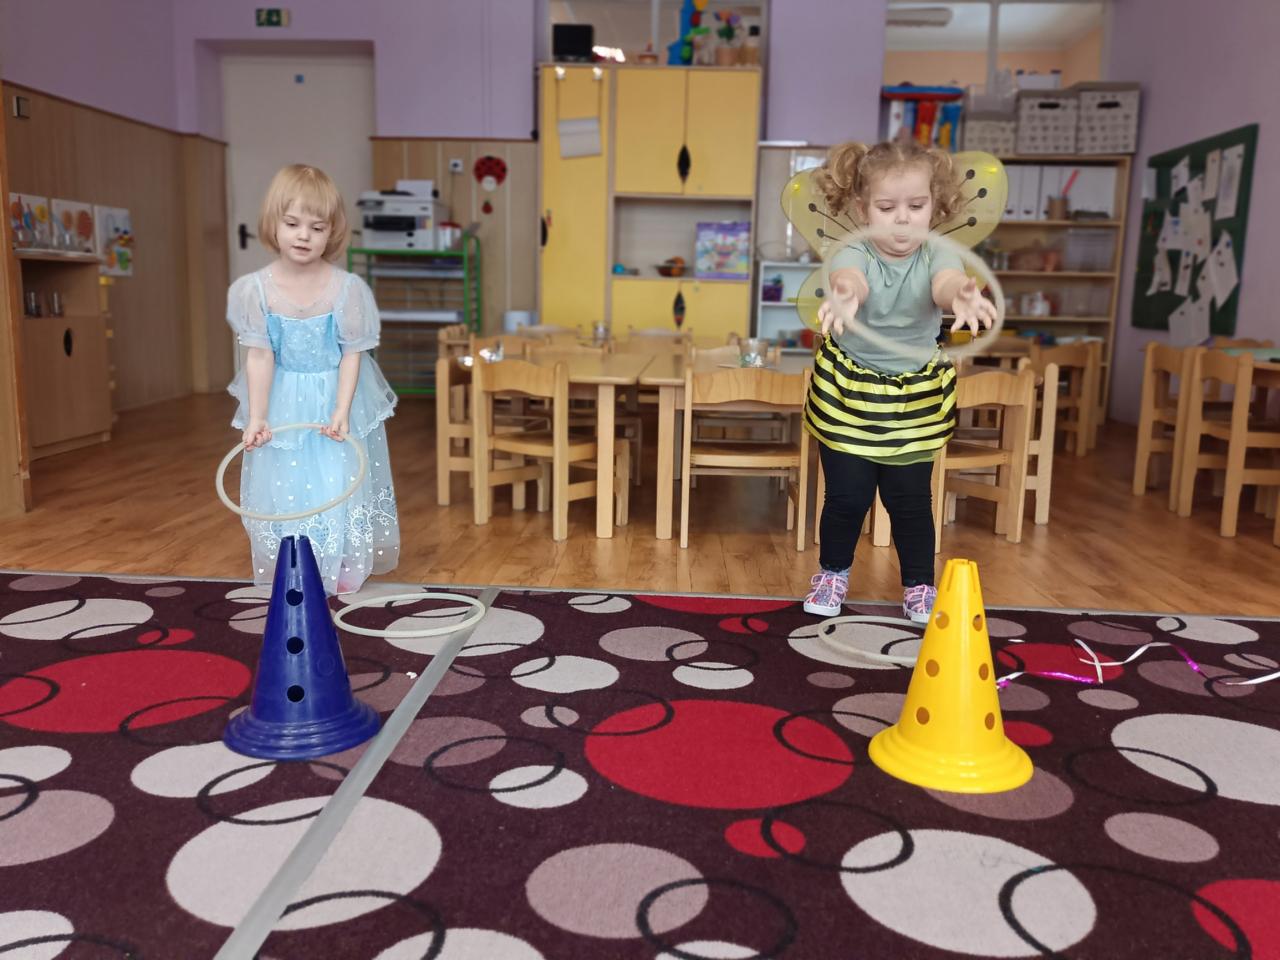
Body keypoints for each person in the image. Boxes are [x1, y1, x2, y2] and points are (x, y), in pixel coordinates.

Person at [801, 140, 996, 622]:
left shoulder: (938, 253)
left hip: (914, 396)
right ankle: (832, 573)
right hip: (850, 391)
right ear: (862, 209)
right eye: (887, 208)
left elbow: (945, 283)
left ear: (935, 205)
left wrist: (962, 294)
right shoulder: (854, 250)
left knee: (910, 500)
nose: (903, 220)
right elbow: (852, 278)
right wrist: (845, 293)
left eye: (917, 206)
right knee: (847, 496)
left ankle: (919, 585)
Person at [226, 163, 399, 595]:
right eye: (292, 224)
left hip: (334, 393)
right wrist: (258, 416)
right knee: (287, 479)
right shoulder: (255, 290)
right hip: (284, 397)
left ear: (331, 232)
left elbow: (352, 353)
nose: (303, 235)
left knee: (336, 476)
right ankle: (296, 560)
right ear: (274, 223)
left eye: (316, 227)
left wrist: (342, 408)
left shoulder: (347, 289)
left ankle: (338, 560)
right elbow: (259, 355)